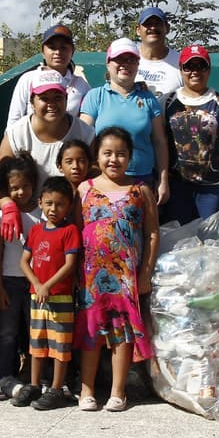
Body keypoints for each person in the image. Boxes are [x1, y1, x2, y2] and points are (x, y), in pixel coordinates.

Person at [76, 127, 159, 413]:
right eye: (107, 153)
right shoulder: (84, 190)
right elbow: (73, 233)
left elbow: (151, 234)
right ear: (97, 157)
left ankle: (118, 391)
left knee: (122, 334)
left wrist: (145, 273)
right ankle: (86, 390)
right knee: (91, 332)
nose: (114, 159)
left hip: (126, 277)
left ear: (130, 157)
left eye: (121, 153)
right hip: (90, 277)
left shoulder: (140, 190)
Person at [14, 176, 82, 410]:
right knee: (37, 343)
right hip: (37, 297)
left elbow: (69, 265)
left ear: (69, 207)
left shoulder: (70, 231)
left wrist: (48, 286)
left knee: (60, 345)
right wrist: (37, 284)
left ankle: (56, 388)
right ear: (40, 202)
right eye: (49, 203)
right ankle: (34, 385)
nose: (54, 209)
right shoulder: (35, 231)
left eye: (60, 204)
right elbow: (24, 262)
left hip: (60, 298)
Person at [79, 37, 170, 205]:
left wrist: (163, 180)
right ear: (108, 63)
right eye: (119, 59)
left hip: (143, 180)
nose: (125, 64)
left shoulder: (148, 97)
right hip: (104, 180)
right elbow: (82, 138)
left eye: (131, 60)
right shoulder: (95, 96)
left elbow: (159, 141)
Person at [163, 45, 219, 224]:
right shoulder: (166, 102)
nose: (195, 71)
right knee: (178, 242)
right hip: (177, 189)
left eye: (201, 66)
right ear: (181, 69)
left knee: (210, 243)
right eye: (189, 66)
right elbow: (159, 142)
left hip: (213, 189)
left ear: (209, 70)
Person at [0, 153, 43, 402]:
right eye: (14, 188)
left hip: (36, 284)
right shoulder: (1, 217)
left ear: (33, 184)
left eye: (25, 186)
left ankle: (36, 379)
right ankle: (4, 376)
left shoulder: (43, 213)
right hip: (10, 281)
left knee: (36, 332)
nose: (20, 192)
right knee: (7, 333)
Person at [0, 70, 96, 184]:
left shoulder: (86, 133)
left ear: (66, 99)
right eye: (44, 98)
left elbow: (95, 172)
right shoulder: (15, 134)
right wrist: (8, 202)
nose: (51, 104)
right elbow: (1, 184)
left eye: (58, 97)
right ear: (32, 102)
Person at [6, 24, 91, 125]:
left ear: (72, 51)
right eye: (52, 47)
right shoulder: (28, 79)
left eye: (63, 47)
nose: (58, 52)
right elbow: (14, 121)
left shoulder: (82, 85)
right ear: (43, 51)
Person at [134, 7, 182, 96]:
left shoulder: (181, 62)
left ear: (167, 28)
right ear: (138, 30)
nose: (153, 27)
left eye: (158, 23)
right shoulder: (128, 59)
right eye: (147, 24)